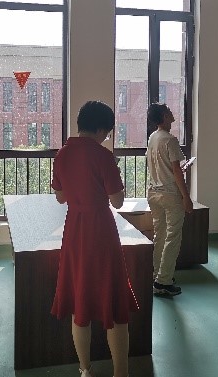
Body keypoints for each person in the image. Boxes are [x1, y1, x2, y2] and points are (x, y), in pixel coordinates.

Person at [51, 100, 137, 377]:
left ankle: (85, 369)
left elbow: (61, 197)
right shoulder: (103, 156)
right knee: (115, 303)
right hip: (101, 231)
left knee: (80, 302)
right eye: (107, 133)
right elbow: (118, 201)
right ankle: (120, 373)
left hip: (74, 231)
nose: (106, 138)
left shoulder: (62, 154)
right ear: (101, 129)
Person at [146, 103, 193, 297]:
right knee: (173, 237)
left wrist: (177, 171)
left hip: (153, 192)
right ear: (164, 116)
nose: (172, 113)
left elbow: (162, 166)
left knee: (160, 235)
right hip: (170, 195)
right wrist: (186, 197)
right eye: (168, 111)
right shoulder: (170, 140)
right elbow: (176, 172)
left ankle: (156, 275)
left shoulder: (153, 137)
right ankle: (163, 281)